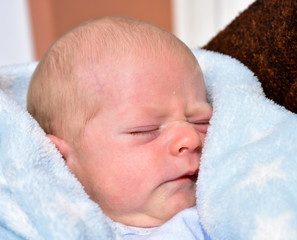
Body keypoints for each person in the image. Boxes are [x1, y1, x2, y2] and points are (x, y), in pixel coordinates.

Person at [27, 16, 212, 239]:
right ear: (59, 159)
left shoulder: (226, 212)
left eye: (201, 122)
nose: (190, 139)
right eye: (145, 130)